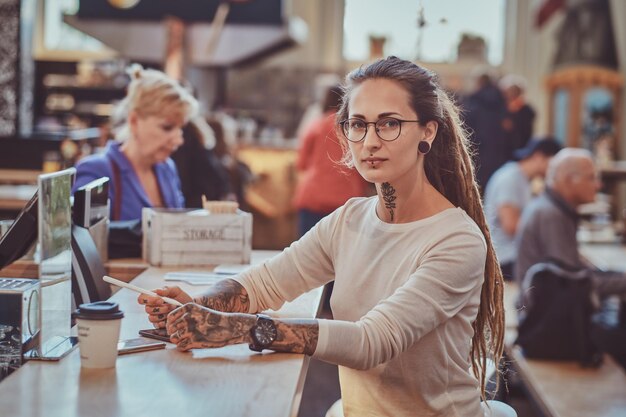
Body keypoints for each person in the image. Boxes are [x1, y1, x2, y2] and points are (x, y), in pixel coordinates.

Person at [138, 57, 506, 417]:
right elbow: (266, 282)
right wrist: (201, 306)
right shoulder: (349, 219)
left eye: (389, 124)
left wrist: (237, 329)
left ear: (428, 130)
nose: (370, 141)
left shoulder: (456, 240)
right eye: (357, 124)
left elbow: (372, 342)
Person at [73, 64, 198, 221]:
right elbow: (84, 239)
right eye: (167, 127)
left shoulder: (167, 169)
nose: (179, 140)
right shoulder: (96, 172)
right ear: (134, 121)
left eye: (181, 129)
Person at [515, 148, 626, 295]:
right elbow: (572, 282)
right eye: (591, 178)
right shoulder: (550, 215)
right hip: (544, 310)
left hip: (548, 300)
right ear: (568, 180)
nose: (599, 185)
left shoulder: (552, 206)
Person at [293, 84, 369, 237]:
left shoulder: (316, 126)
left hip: (313, 197)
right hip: (347, 201)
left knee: (308, 256)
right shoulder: (357, 129)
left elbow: (301, 164)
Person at [484, 138, 561, 280]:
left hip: (514, 254)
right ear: (539, 156)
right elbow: (511, 226)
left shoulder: (522, 178)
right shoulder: (510, 178)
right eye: (554, 163)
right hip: (505, 257)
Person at [463, 71, 509, 192]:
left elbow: (466, 130)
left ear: (478, 83)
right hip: (498, 153)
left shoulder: (473, 102)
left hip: (478, 152)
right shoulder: (502, 101)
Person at [499, 74, 536, 154]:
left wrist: (513, 124)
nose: (511, 93)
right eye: (509, 91)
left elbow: (526, 129)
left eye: (514, 91)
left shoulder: (526, 109)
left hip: (520, 147)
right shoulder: (501, 107)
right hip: (502, 148)